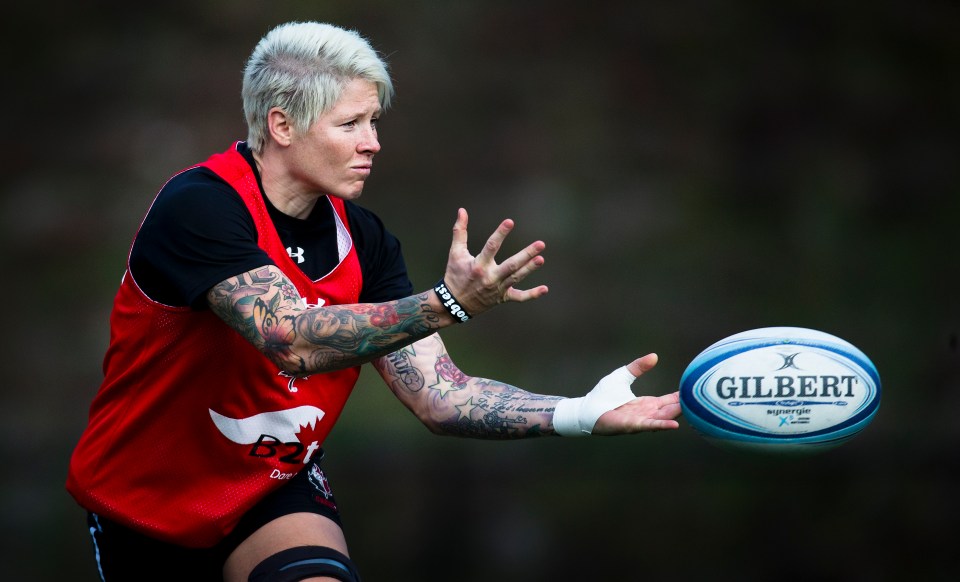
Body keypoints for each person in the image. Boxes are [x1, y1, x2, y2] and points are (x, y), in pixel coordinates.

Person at [66, 21, 682, 582]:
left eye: (375, 122)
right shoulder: (200, 206)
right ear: (282, 125)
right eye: (351, 123)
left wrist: (580, 412)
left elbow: (441, 397)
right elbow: (291, 339)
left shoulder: (364, 239)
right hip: (146, 501)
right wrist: (447, 303)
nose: (373, 143)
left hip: (270, 490)